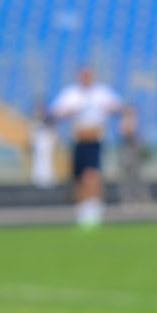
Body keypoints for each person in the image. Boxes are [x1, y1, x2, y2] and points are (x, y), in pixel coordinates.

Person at [47, 65, 121, 227]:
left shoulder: (101, 92)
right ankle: (82, 207)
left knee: (92, 174)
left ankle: (94, 206)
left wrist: (109, 109)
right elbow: (55, 112)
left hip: (94, 140)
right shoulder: (71, 93)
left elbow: (117, 107)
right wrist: (69, 112)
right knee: (79, 176)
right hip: (78, 140)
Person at [116, 104, 149, 205]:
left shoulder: (136, 122)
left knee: (137, 176)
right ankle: (128, 198)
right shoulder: (124, 122)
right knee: (127, 176)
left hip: (134, 152)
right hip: (128, 152)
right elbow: (125, 133)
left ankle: (141, 197)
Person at [29, 100, 58, 189]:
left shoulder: (48, 119)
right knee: (39, 161)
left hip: (46, 143)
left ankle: (47, 179)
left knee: (47, 160)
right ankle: (39, 179)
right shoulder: (35, 120)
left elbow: (52, 132)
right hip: (39, 144)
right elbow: (33, 133)